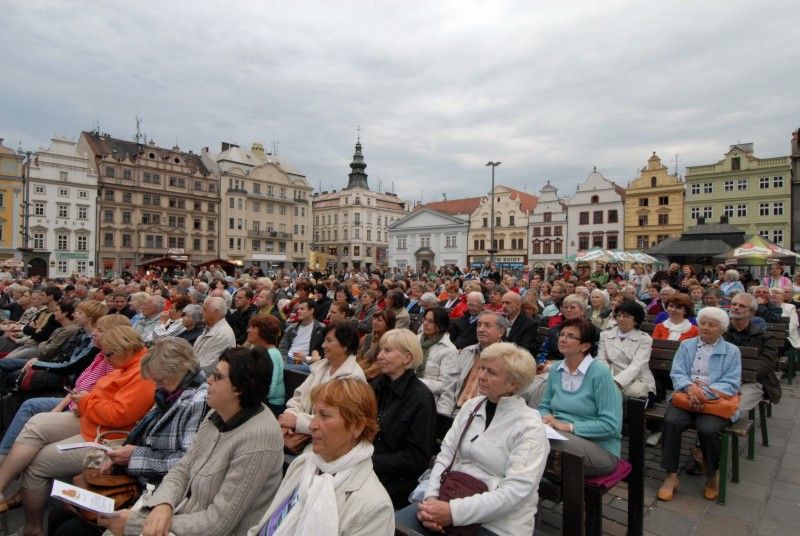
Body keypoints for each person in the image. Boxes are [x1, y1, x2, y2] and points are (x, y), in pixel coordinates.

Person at [100, 347, 284, 536]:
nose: (208, 381)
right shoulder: (217, 413)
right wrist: (163, 503)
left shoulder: (259, 439)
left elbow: (217, 524)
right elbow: (183, 468)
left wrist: (137, 524)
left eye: (218, 377)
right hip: (182, 514)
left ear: (240, 388)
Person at [0, 326, 155, 534]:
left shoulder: (141, 373)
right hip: (91, 421)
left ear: (123, 349)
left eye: (107, 354)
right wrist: (86, 403)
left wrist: (86, 401)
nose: (105, 359)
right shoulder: (127, 364)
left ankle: (33, 528)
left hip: (107, 436)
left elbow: (119, 415)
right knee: (36, 423)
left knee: (38, 465)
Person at [48, 336, 210, 535]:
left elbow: (185, 463)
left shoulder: (198, 402)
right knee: (58, 513)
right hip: (136, 478)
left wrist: (134, 456)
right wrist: (119, 457)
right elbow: (142, 436)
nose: (157, 386)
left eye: (161, 380)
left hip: (153, 491)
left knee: (70, 531)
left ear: (181, 369)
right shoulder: (171, 392)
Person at [396, 342, 549, 536]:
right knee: (394, 527)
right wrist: (432, 500)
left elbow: (516, 492)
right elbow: (446, 455)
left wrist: (453, 512)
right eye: (482, 368)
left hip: (497, 523)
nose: (480, 376)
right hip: (448, 496)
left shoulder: (529, 426)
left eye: (491, 372)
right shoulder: (471, 407)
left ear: (513, 383)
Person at [248, 378, 395, 536]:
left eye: (324, 416)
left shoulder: (373, 507)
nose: (311, 425)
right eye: (314, 414)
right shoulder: (303, 466)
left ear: (357, 426)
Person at [657, 307, 741, 502]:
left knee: (708, 429)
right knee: (671, 422)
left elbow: (731, 382)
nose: (705, 327)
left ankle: (712, 474)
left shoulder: (731, 351)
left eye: (712, 325)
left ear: (722, 329)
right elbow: (677, 372)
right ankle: (671, 476)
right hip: (686, 396)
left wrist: (703, 393)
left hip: (714, 400)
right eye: (703, 323)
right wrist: (689, 388)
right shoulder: (687, 345)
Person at [538, 317, 622, 477]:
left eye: (570, 336)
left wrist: (568, 427)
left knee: (538, 443)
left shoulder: (600, 373)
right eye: (562, 334)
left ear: (585, 345)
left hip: (600, 448)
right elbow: (544, 406)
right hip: (560, 437)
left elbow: (611, 426)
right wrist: (545, 417)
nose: (563, 339)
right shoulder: (557, 368)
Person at [370, 329, 436, 508]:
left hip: (395, 482)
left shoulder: (420, 398)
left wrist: (369, 460)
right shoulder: (377, 386)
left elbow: (416, 458)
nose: (380, 356)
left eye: (387, 351)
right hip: (368, 470)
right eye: (381, 350)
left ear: (407, 358)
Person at [279, 322, 366, 449]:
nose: (323, 345)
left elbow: (339, 421)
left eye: (329, 341)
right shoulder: (321, 367)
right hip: (302, 431)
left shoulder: (354, 378)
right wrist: (289, 421)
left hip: (329, 444)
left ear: (345, 345)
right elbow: (298, 397)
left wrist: (297, 422)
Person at [596, 300, 655, 399]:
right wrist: (607, 378)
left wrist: (617, 382)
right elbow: (601, 359)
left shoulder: (644, 339)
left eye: (626, 316)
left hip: (635, 378)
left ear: (636, 320)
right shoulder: (605, 335)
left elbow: (637, 365)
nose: (621, 319)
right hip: (609, 374)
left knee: (623, 397)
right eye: (618, 315)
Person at [247, 314, 286, 416]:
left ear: (264, 331)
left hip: (271, 407)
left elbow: (269, 391)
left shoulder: (272, 354)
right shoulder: (253, 349)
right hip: (259, 400)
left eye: (253, 327)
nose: (248, 330)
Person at [417, 307, 459, 402]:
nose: (425, 323)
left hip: (430, 397)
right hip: (409, 390)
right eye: (425, 319)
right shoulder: (416, 339)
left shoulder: (449, 350)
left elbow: (445, 385)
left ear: (442, 326)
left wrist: (415, 382)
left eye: (431, 321)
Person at [192, 296, 236, 375]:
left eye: (204, 309)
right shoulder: (209, 327)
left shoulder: (223, 334)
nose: (201, 312)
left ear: (216, 312)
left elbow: (207, 368)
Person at [278, 299, 326, 369]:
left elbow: (322, 354)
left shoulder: (321, 329)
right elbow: (282, 348)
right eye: (298, 309)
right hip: (288, 359)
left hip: (305, 363)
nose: (298, 311)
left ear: (311, 311)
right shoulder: (292, 328)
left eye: (302, 309)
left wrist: (308, 359)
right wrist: (283, 362)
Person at [357, 308, 396, 380]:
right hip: (357, 373)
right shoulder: (366, 338)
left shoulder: (390, 343)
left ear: (388, 324)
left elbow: (376, 369)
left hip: (372, 381)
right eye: (374, 319)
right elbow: (355, 358)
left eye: (379, 320)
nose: (375, 322)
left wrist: (354, 375)